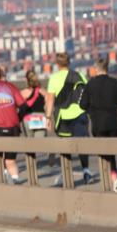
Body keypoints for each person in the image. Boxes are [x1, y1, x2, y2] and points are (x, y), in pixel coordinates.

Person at [79, 56, 117, 193]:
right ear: (107, 68)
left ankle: (112, 181)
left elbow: (82, 104)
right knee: (111, 152)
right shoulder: (116, 83)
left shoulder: (90, 85)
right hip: (115, 124)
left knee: (103, 153)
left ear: (96, 69)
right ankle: (114, 177)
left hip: (98, 124)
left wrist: (92, 106)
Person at [45, 52, 93, 186]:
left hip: (63, 116)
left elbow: (50, 100)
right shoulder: (79, 75)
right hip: (80, 113)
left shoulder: (54, 78)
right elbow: (88, 93)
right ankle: (86, 170)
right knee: (82, 145)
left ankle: (67, 175)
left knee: (65, 146)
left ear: (57, 64)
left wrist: (48, 117)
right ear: (69, 62)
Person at [18, 70, 49, 137]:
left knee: (30, 143)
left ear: (27, 80)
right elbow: (47, 107)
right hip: (41, 117)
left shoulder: (23, 92)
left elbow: (19, 107)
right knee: (40, 144)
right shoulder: (43, 92)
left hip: (28, 118)